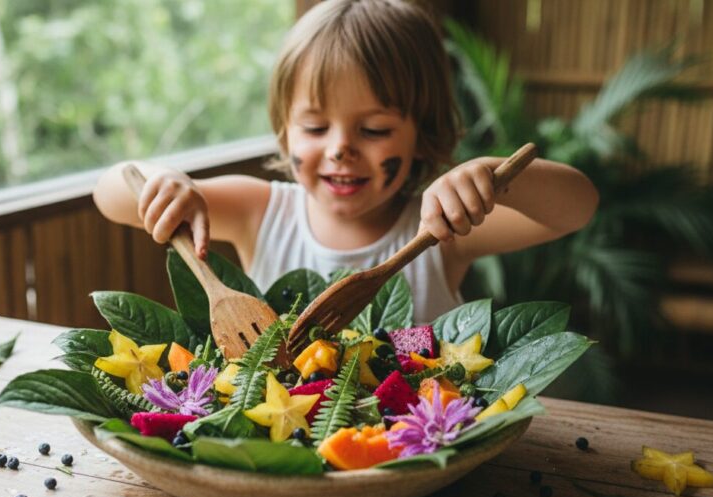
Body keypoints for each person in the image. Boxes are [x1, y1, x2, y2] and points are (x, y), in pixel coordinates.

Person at [93, 0, 598, 324]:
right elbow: (111, 196)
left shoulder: (441, 229)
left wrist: (495, 178)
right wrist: (164, 183)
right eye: (314, 128)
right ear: (283, 130)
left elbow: (576, 208)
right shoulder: (259, 211)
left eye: (374, 129)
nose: (339, 148)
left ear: (423, 136)